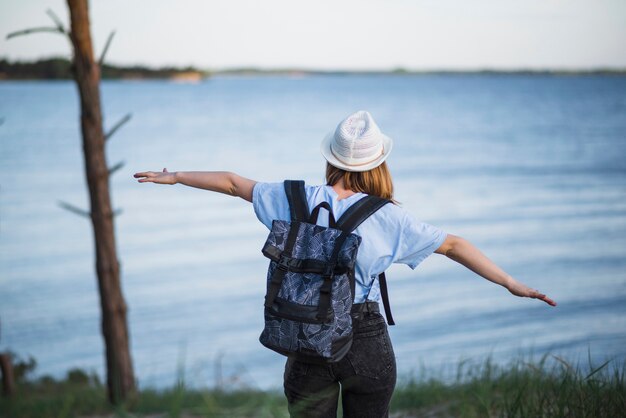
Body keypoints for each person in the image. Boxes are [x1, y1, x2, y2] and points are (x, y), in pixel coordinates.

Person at [134, 110, 556, 418]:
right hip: (364, 340)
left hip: (305, 337)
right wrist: (509, 282)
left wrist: (175, 178)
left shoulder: (291, 197)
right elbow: (455, 245)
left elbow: (230, 182)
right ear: (378, 163)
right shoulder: (389, 217)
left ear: (332, 158)